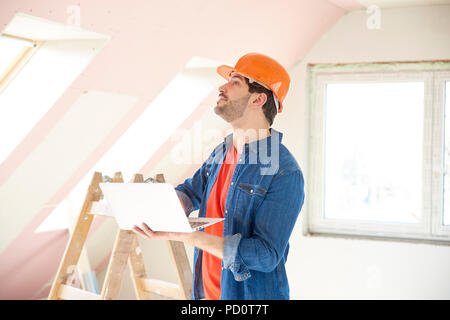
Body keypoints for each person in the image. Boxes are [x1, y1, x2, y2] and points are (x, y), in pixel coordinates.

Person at [133, 53, 305, 300]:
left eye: (235, 82)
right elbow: (193, 190)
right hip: (207, 295)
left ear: (258, 99)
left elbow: (266, 255)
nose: (221, 87)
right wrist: (171, 205)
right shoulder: (223, 150)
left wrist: (187, 236)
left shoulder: (284, 172)